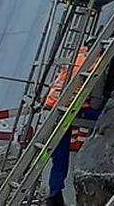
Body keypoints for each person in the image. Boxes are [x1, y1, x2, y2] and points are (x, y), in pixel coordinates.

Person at [43, 46, 101, 206]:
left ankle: (54, 194)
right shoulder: (93, 60)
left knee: (59, 158)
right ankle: (56, 196)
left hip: (55, 107)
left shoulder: (74, 54)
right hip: (71, 107)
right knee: (106, 115)